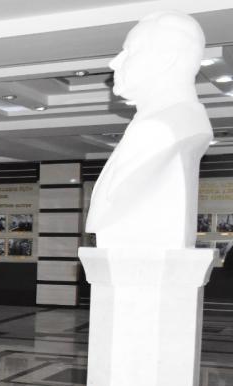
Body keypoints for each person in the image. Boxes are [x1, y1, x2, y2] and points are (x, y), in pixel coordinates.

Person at [86, 11, 212, 250]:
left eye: (130, 51)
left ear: (166, 58)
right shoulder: (168, 124)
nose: (114, 63)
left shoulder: (160, 129)